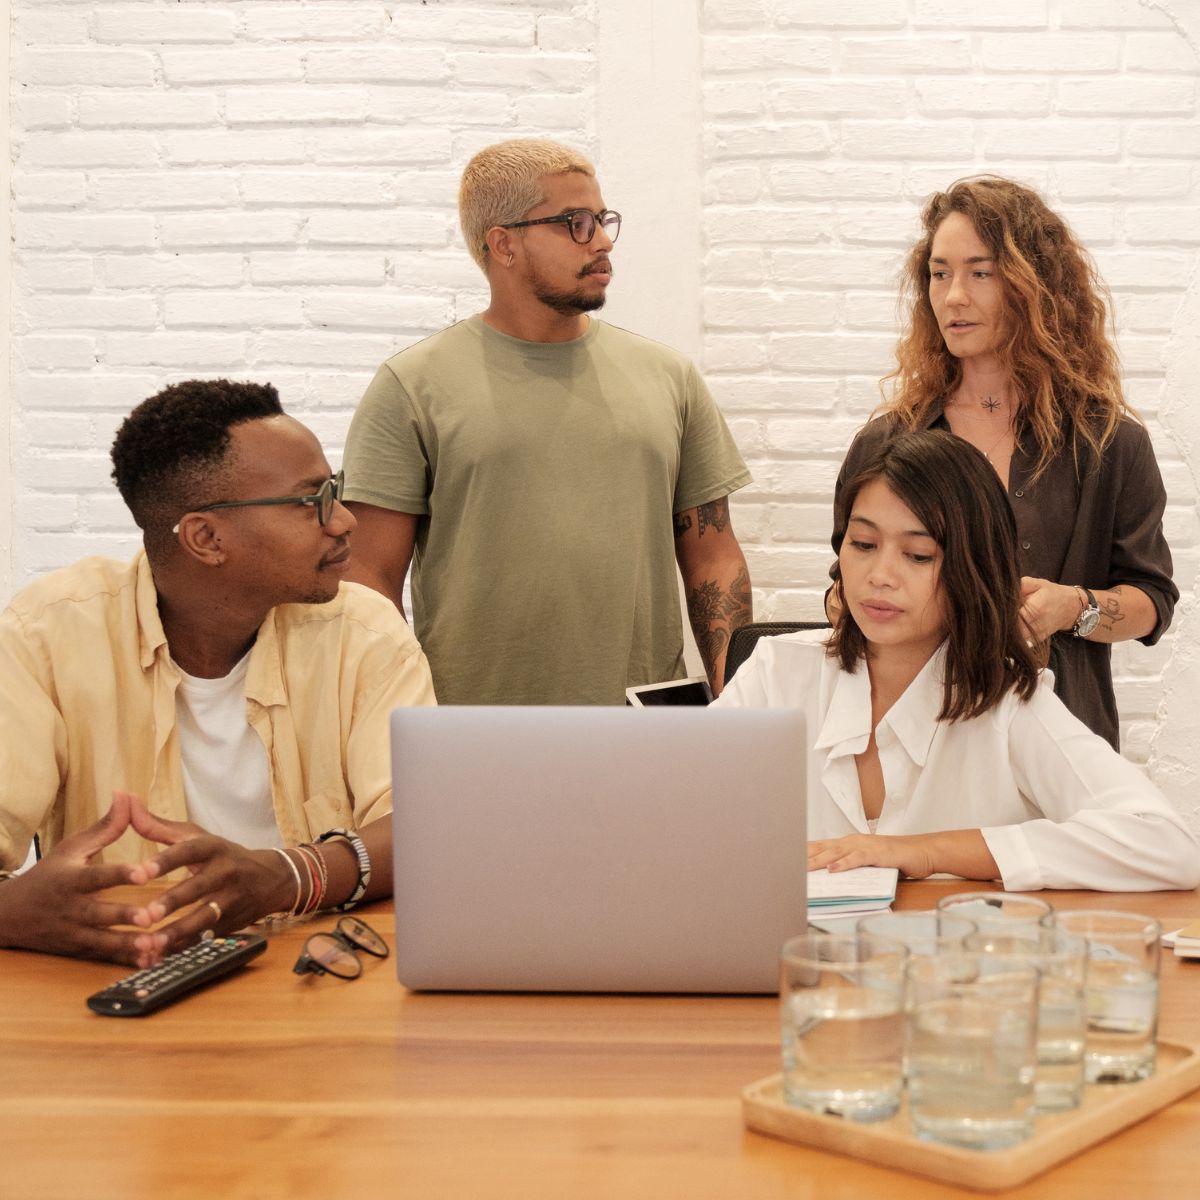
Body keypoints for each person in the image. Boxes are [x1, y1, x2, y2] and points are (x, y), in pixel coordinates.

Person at [0, 380, 436, 967]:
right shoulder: (48, 634)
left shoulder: (364, 632)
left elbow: (426, 828)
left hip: (316, 974)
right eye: (312, 501)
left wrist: (286, 876)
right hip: (119, 981)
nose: (344, 521)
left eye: (336, 492)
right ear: (206, 538)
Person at [342, 138, 752, 704]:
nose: (603, 241)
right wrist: (400, 716)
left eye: (603, 220)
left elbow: (713, 553)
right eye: (575, 223)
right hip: (472, 726)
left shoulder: (669, 377)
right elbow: (367, 581)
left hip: (644, 721)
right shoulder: (412, 387)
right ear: (504, 244)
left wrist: (734, 698)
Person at [716, 431, 1198, 893]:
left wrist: (923, 853)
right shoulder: (775, 673)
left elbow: (1166, 843)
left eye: (919, 555)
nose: (879, 576)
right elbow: (674, 813)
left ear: (973, 567)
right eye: (862, 545)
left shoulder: (1009, 705)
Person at [833, 175, 1176, 749]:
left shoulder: (1111, 446)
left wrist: (1075, 607)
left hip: (1061, 740)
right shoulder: (887, 443)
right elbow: (840, 591)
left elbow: (1152, 601)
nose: (954, 296)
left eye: (981, 272)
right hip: (913, 741)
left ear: (1033, 285)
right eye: (939, 273)